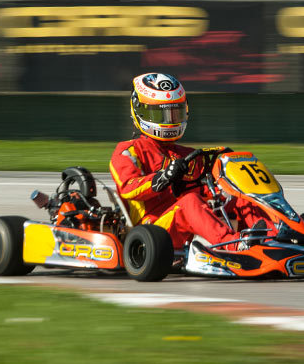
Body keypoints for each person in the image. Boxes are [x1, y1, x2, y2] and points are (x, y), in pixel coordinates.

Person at [109, 73, 269, 250]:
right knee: (190, 202)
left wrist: (226, 186)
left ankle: (272, 236)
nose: (170, 121)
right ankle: (235, 245)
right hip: (150, 231)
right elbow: (128, 188)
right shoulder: (128, 151)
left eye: (174, 113)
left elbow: (205, 189)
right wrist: (163, 177)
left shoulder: (187, 155)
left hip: (182, 220)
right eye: (161, 114)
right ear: (141, 111)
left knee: (239, 196)